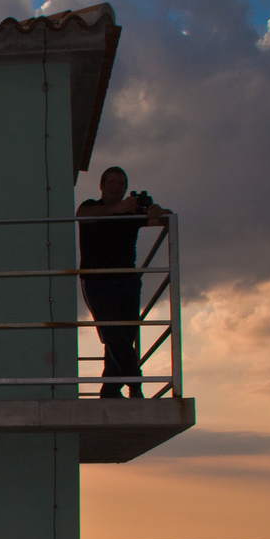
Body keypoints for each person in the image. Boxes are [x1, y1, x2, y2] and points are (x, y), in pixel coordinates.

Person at [76, 167, 169, 398]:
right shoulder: (92, 206)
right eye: (112, 182)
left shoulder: (132, 212)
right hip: (97, 282)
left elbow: (165, 219)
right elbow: (82, 215)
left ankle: (110, 389)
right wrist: (118, 208)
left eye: (121, 184)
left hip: (127, 281)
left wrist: (159, 210)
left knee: (126, 336)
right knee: (114, 335)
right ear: (102, 185)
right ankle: (134, 383)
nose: (116, 187)